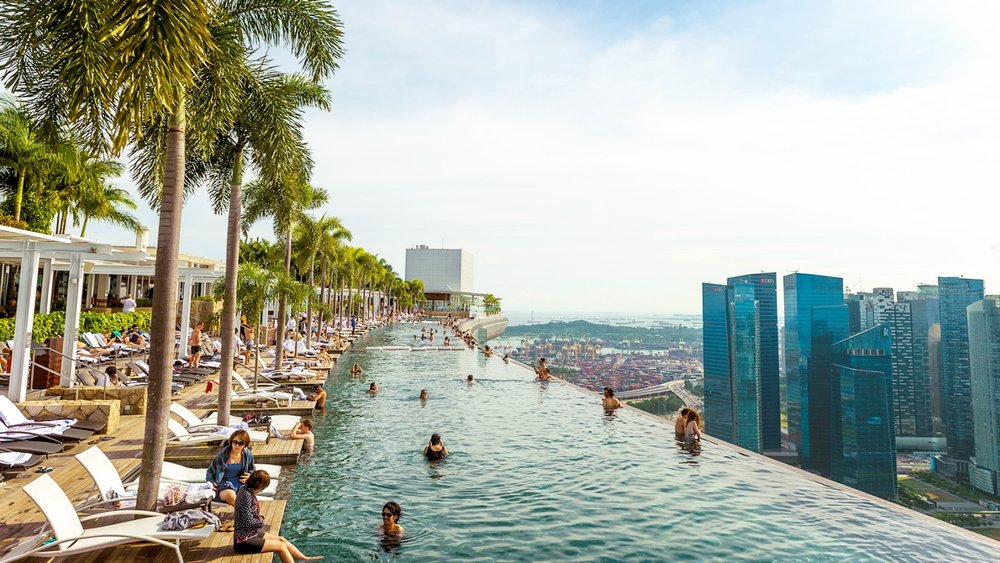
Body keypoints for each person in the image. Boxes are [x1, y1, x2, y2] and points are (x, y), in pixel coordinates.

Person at [234, 470, 322, 561]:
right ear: (260, 486)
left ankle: (304, 558)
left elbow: (245, 514)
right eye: (263, 488)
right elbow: (248, 521)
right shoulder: (247, 496)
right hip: (244, 541)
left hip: (251, 534)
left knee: (281, 539)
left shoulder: (245, 489)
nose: (261, 491)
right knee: (281, 547)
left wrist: (258, 517)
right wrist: (261, 523)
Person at [206, 430, 255, 506]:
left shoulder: (247, 454)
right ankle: (246, 515)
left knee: (248, 494)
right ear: (231, 441)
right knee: (230, 495)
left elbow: (252, 470)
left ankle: (250, 514)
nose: (237, 445)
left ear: (245, 444)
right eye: (235, 442)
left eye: (241, 443)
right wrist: (211, 482)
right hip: (223, 486)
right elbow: (210, 471)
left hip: (240, 484)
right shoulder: (222, 455)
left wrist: (250, 476)